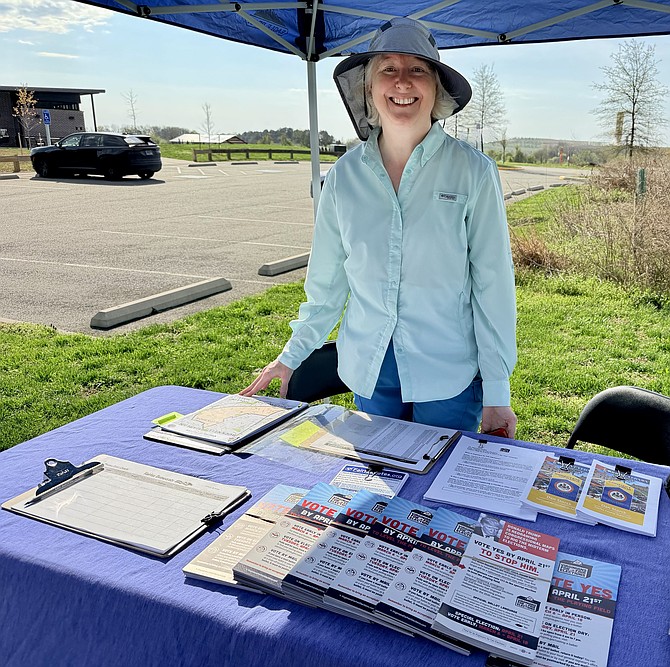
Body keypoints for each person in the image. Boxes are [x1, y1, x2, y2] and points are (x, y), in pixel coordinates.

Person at [242, 17, 517, 437]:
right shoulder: (343, 177)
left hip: (448, 374)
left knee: (435, 493)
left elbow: (493, 286)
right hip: (371, 370)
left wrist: (498, 393)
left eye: (417, 70)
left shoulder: (473, 172)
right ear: (369, 88)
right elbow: (327, 285)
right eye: (388, 68)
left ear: (437, 88)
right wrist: (290, 356)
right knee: (379, 490)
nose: (402, 82)